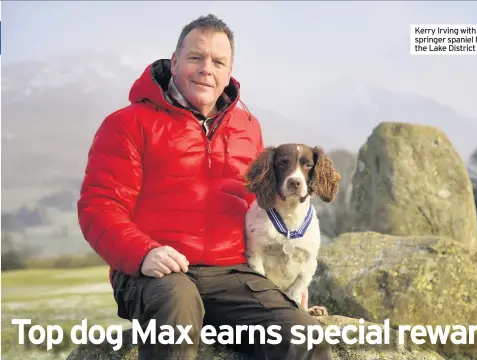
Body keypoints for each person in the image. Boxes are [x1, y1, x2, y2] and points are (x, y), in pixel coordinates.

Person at [77, 13, 333, 360]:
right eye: (195, 57)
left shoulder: (248, 127)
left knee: (305, 338)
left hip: (231, 275)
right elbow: (99, 206)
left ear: (230, 71)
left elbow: (261, 204)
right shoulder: (126, 124)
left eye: (218, 61)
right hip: (156, 273)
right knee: (178, 308)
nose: (206, 69)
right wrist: (143, 253)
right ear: (175, 60)